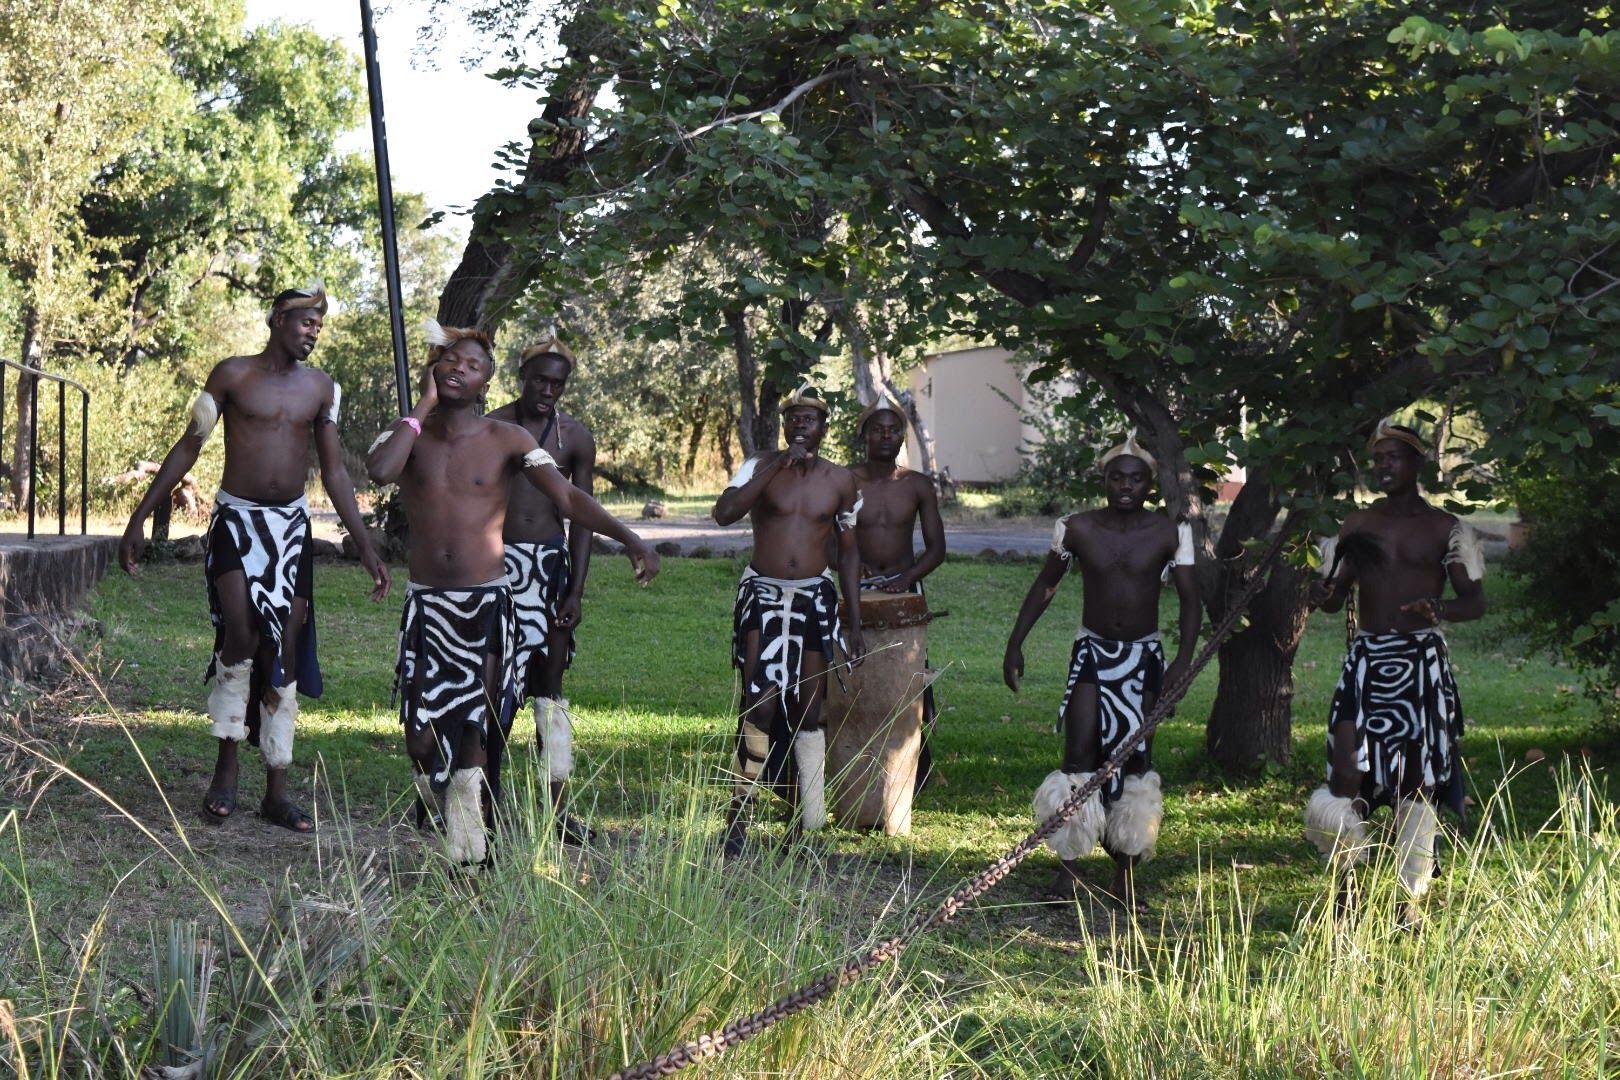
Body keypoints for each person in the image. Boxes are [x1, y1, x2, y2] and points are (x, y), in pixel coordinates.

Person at [366, 321, 658, 866]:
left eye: (473, 365)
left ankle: (472, 859)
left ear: (486, 383)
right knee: (421, 743)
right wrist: (422, 405)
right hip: (428, 608)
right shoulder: (409, 435)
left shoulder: (508, 440)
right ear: (433, 367)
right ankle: (448, 814)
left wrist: (632, 538)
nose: (460, 369)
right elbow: (380, 471)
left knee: (474, 736)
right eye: (452, 360)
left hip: (486, 607)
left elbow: (568, 499)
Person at [118, 281, 392, 832]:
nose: (314, 331)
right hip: (236, 521)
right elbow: (190, 444)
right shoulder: (232, 375)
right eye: (306, 321)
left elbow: (335, 472)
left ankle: (277, 787)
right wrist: (139, 516)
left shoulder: (322, 388)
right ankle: (225, 770)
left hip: (290, 527)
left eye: (320, 325)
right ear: (277, 319)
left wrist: (366, 546)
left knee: (283, 647)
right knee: (240, 634)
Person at [1002, 433, 1198, 911]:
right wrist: (1015, 643)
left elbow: (1192, 601)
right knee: (1079, 756)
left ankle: (1125, 875)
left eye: (1136, 479)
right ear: (1104, 480)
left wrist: (1182, 662)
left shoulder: (1171, 532)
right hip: (1091, 655)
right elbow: (1046, 584)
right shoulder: (1077, 528)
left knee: (1136, 762)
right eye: (1117, 477)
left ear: (1150, 484)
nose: (1126, 486)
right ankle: (1068, 868)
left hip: (1144, 660)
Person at [1304, 419, 1485, 923]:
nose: (1383, 466)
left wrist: (1440, 608)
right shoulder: (1358, 524)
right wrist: (1321, 593)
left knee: (1416, 781)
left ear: (1417, 463)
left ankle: (1409, 901)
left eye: (1393, 457)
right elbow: (1334, 597)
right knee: (1346, 772)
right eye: (1377, 459)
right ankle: (1347, 888)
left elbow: (1474, 601)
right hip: (1367, 663)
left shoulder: (1445, 528)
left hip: (1420, 664)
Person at [712, 385, 866, 857]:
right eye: (793, 418)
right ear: (783, 425)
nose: (800, 426)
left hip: (814, 600)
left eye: (809, 419)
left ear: (824, 428)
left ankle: (805, 822)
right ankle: (738, 817)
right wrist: (776, 466)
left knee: (807, 710)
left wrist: (854, 621)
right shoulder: (759, 464)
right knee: (759, 704)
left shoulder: (841, 480)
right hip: (762, 595)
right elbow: (724, 513)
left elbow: (849, 553)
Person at [486, 337, 598, 843]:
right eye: (540, 380)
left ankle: (556, 810)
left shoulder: (575, 437)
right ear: (522, 377)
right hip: (498, 567)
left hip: (551, 569)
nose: (548, 390)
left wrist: (575, 590)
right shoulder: (492, 427)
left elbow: (583, 519)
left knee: (550, 691)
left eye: (558, 383)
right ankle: (485, 799)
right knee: (494, 687)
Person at [849, 394, 946, 789]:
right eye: (878, 430)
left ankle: (916, 766)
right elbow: (828, 541)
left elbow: (937, 549)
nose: (886, 436)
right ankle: (853, 756)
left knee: (910, 673)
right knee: (855, 668)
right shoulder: (846, 481)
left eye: (894, 430)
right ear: (863, 435)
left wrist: (908, 578)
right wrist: (849, 567)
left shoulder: (917, 484)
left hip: (905, 589)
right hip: (855, 587)